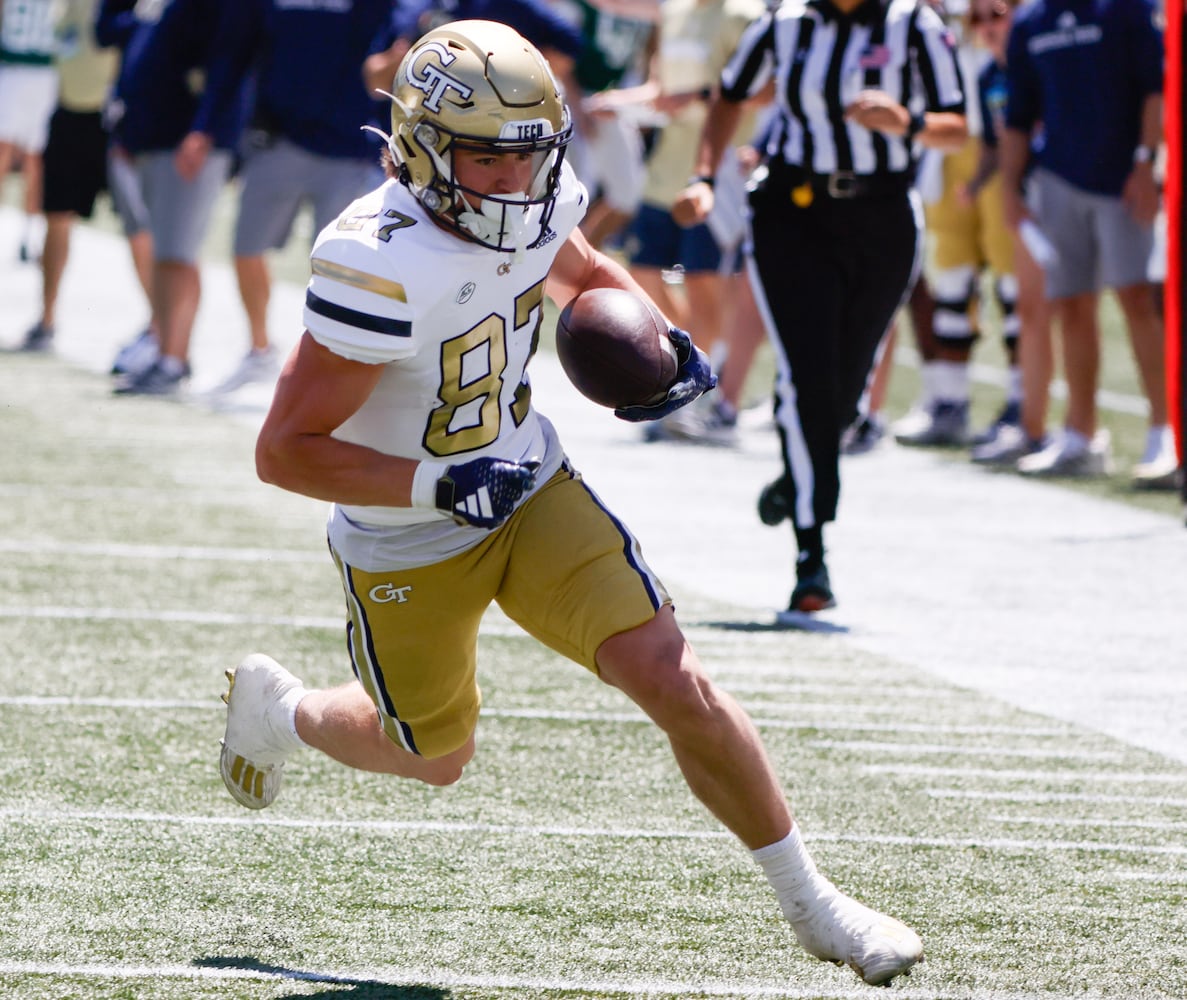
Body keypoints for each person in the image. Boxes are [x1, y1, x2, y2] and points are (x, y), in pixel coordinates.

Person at [218, 20, 923, 987]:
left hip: (528, 483)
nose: (515, 182)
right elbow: (284, 452)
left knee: (675, 678)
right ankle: (285, 709)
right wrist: (438, 482)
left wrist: (656, 341)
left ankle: (816, 906)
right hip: (408, 530)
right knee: (432, 757)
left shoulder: (535, 195)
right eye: (486, 158)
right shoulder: (374, 261)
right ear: (422, 147)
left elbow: (584, 272)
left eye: (529, 155)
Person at [673, 0, 966, 616]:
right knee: (809, 378)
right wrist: (703, 176)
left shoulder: (916, 24)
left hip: (884, 216)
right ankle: (812, 554)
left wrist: (905, 122)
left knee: (843, 394)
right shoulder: (783, 22)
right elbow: (729, 95)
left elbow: (957, 124)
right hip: (792, 212)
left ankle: (799, 476)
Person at [1001, 0, 1174, 483]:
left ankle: (1165, 432)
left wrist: (1145, 163)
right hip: (1057, 180)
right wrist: (1011, 189)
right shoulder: (1032, 21)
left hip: (1122, 180)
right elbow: (1019, 110)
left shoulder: (1126, 8)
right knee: (1071, 306)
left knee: (1138, 300)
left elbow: (1153, 87)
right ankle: (1081, 436)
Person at [193, 0, 396, 397]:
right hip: (280, 137)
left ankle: (333, 370)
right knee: (245, 247)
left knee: (343, 269)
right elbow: (237, 50)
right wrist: (208, 123)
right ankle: (259, 349)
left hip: (351, 147)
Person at [96, 0, 255, 397]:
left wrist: (202, 130)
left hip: (185, 138)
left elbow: (229, 58)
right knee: (170, 254)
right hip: (155, 134)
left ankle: (171, 359)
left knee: (174, 256)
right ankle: (166, 350)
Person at [891, 0, 1022, 451]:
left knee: (1012, 284)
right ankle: (948, 399)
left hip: (1001, 140)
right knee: (950, 280)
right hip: (946, 149)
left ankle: (1022, 404)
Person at [17, 0, 157, 356]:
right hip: (67, 115)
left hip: (115, 122)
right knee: (57, 217)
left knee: (139, 228)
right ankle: (45, 320)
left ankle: (160, 328)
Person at [962, 0, 1055, 467]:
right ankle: (1027, 416)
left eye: (996, 13)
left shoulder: (1040, 56)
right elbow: (996, 144)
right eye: (977, 19)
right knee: (1024, 308)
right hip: (1021, 196)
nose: (987, 27)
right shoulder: (985, 77)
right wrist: (978, 185)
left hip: (1061, 189)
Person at [0, 0, 59, 264]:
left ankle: (28, 234)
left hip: (44, 71)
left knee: (34, 155)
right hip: (11, 67)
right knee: (3, 149)